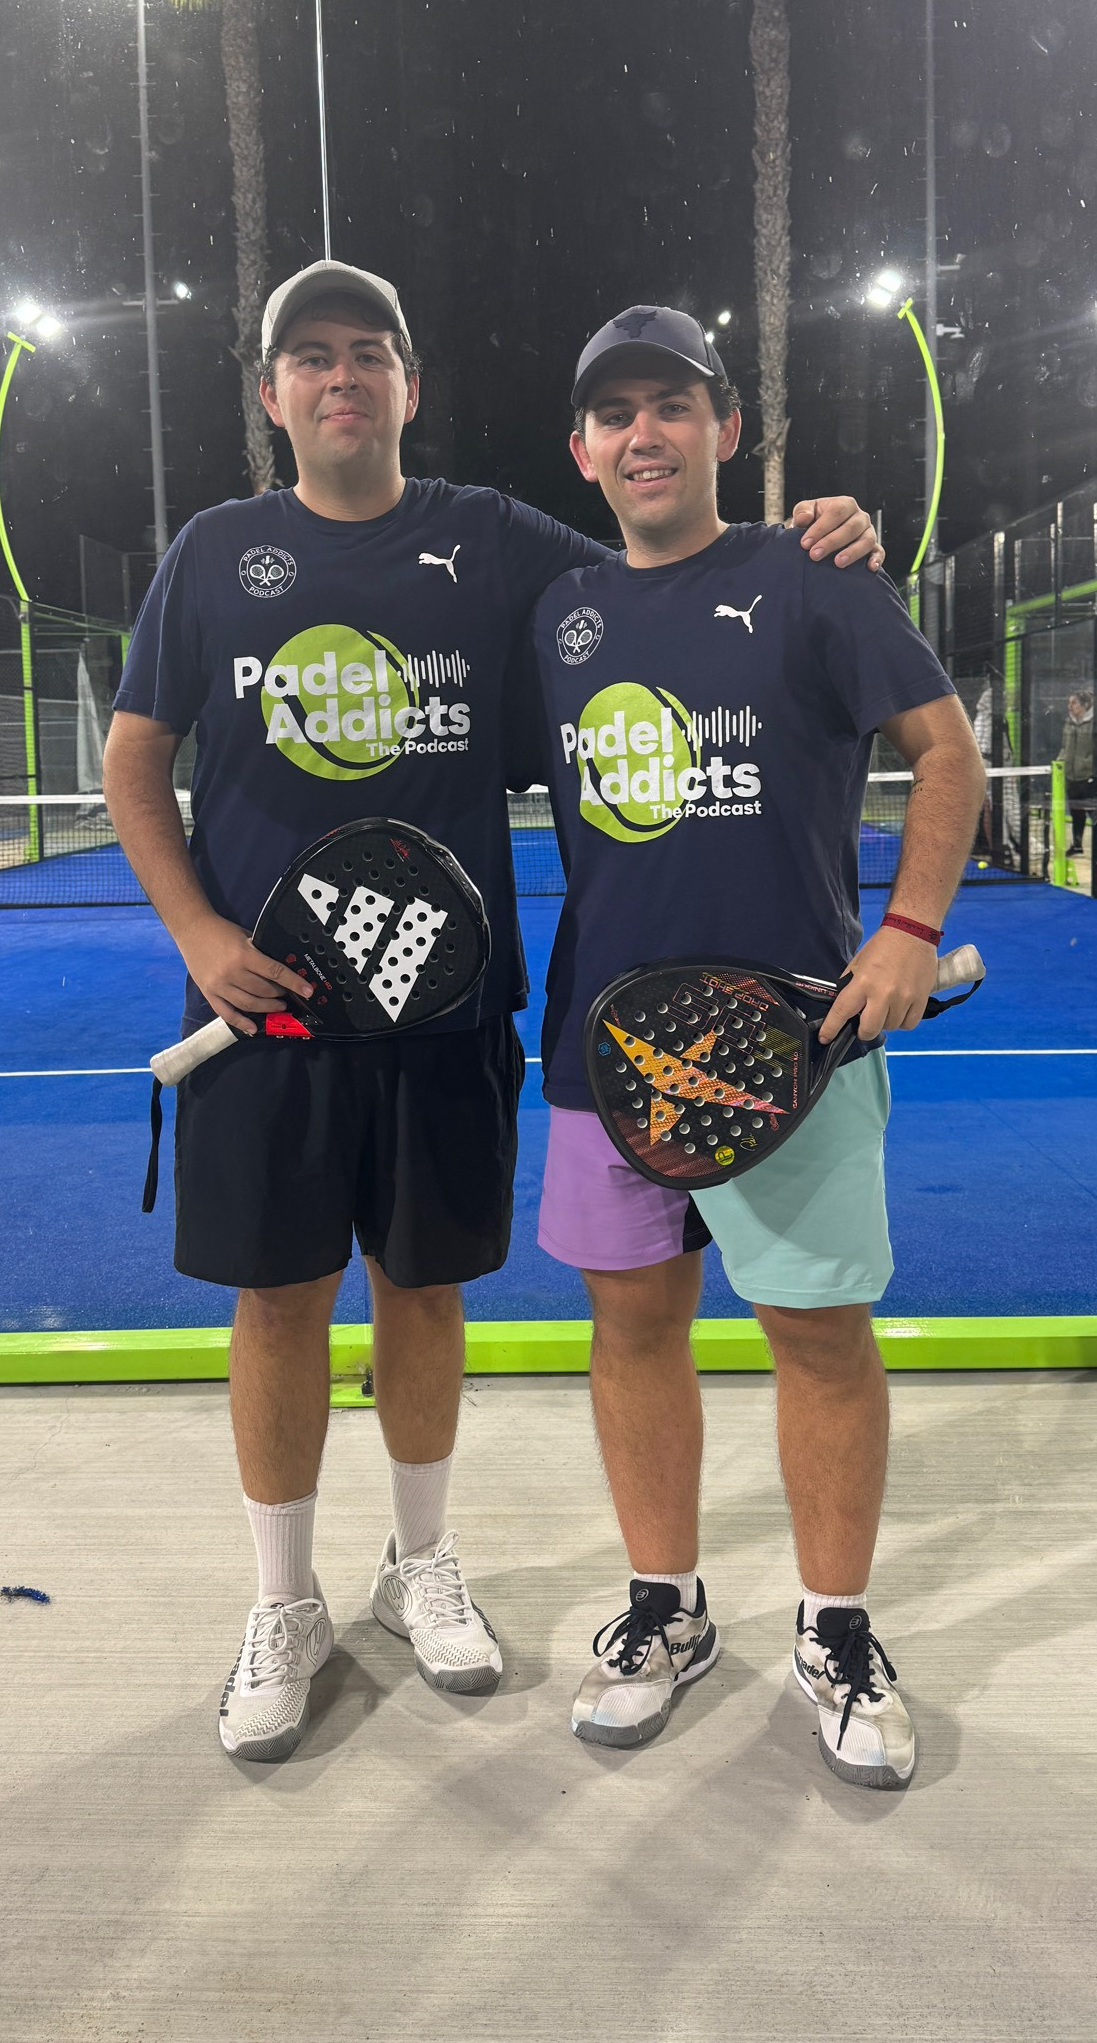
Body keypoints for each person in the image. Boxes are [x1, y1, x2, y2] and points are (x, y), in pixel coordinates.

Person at [101, 261, 882, 1764]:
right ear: (271, 396)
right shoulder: (213, 553)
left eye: (369, 352)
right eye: (312, 357)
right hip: (265, 1011)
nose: (343, 377)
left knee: (423, 1289)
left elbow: (667, 571)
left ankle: (420, 1565)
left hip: (450, 1006)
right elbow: (137, 755)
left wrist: (817, 545)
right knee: (278, 1302)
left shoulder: (495, 539)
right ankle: (283, 1603)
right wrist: (197, 930)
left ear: (411, 385)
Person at [529, 305, 983, 1787]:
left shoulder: (814, 575)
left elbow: (947, 752)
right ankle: (665, 1609)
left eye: (673, 405)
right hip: (604, 1051)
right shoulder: (556, 611)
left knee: (818, 1335)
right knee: (631, 1328)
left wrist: (908, 928)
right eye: (616, 414)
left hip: (797, 1048)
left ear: (727, 429)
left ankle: (835, 1628)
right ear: (583, 451)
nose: (645, 434)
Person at [1060, 690, 1097, 865]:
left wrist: (1088, 765)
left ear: (1085, 705)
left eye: (1074, 703)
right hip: (1071, 777)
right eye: (1069, 703)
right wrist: (1061, 762)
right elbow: (1064, 746)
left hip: (1090, 777)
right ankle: (1077, 845)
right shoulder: (1068, 723)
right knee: (1076, 814)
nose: (1070, 707)